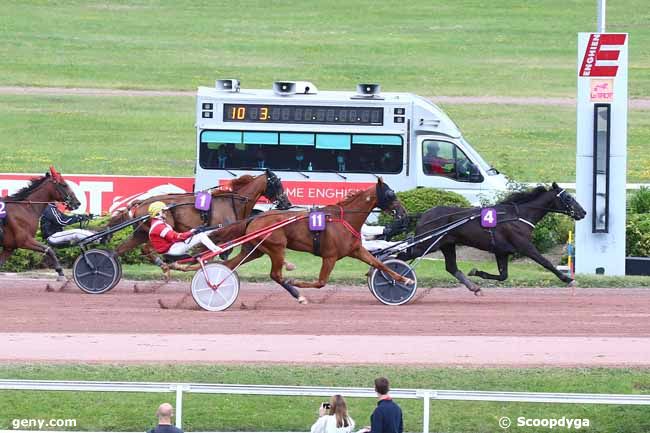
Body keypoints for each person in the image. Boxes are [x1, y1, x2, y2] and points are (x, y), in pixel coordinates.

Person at [147, 201, 221, 256]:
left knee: (203, 233)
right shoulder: (159, 227)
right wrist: (192, 232)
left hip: (173, 247)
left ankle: (218, 230)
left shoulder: (158, 224)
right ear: (157, 213)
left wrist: (192, 232)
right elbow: (177, 237)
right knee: (201, 236)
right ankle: (217, 250)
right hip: (172, 251)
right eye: (163, 211)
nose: (166, 212)